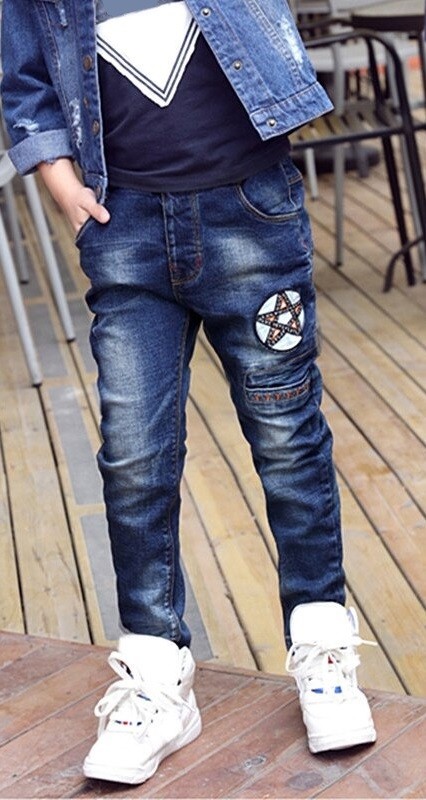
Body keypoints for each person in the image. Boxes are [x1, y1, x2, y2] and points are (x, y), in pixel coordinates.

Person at [1, 0, 377, 785]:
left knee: (287, 437)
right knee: (133, 456)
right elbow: (24, 74)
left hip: (251, 211)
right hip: (125, 227)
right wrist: (59, 180)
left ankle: (322, 648)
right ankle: (154, 673)